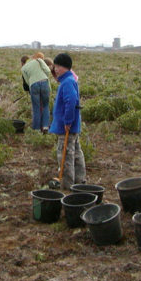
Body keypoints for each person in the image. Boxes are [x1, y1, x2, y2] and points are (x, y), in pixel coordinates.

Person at [49, 53, 85, 189]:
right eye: (55, 66)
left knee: (65, 155)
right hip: (71, 126)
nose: (55, 69)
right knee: (75, 153)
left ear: (65, 67)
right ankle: (80, 181)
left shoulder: (67, 82)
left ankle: (68, 185)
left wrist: (67, 121)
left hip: (66, 127)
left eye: (58, 66)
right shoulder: (69, 80)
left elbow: (71, 101)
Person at [21, 52, 52, 133]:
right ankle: (45, 126)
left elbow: (27, 81)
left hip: (33, 85)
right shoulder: (38, 60)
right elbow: (48, 71)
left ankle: (36, 129)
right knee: (45, 106)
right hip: (44, 82)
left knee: (36, 108)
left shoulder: (23, 68)